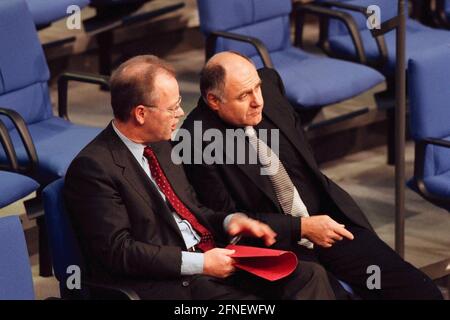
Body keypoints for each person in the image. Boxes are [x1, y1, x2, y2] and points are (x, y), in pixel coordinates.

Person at [64, 55, 336, 300]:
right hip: (169, 282)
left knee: (309, 276)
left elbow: (193, 211)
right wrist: (201, 264)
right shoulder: (94, 168)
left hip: (214, 258)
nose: (181, 113)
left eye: (180, 104)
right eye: (172, 108)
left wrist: (231, 220)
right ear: (141, 114)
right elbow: (119, 252)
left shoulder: (161, 144)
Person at [179, 51, 443, 300]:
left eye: (256, 88)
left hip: (327, 223)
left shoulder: (269, 85)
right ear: (214, 100)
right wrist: (302, 227)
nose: (258, 100)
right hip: (278, 246)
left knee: (418, 291)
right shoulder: (195, 140)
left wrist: (315, 224)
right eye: (244, 95)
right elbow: (226, 222)